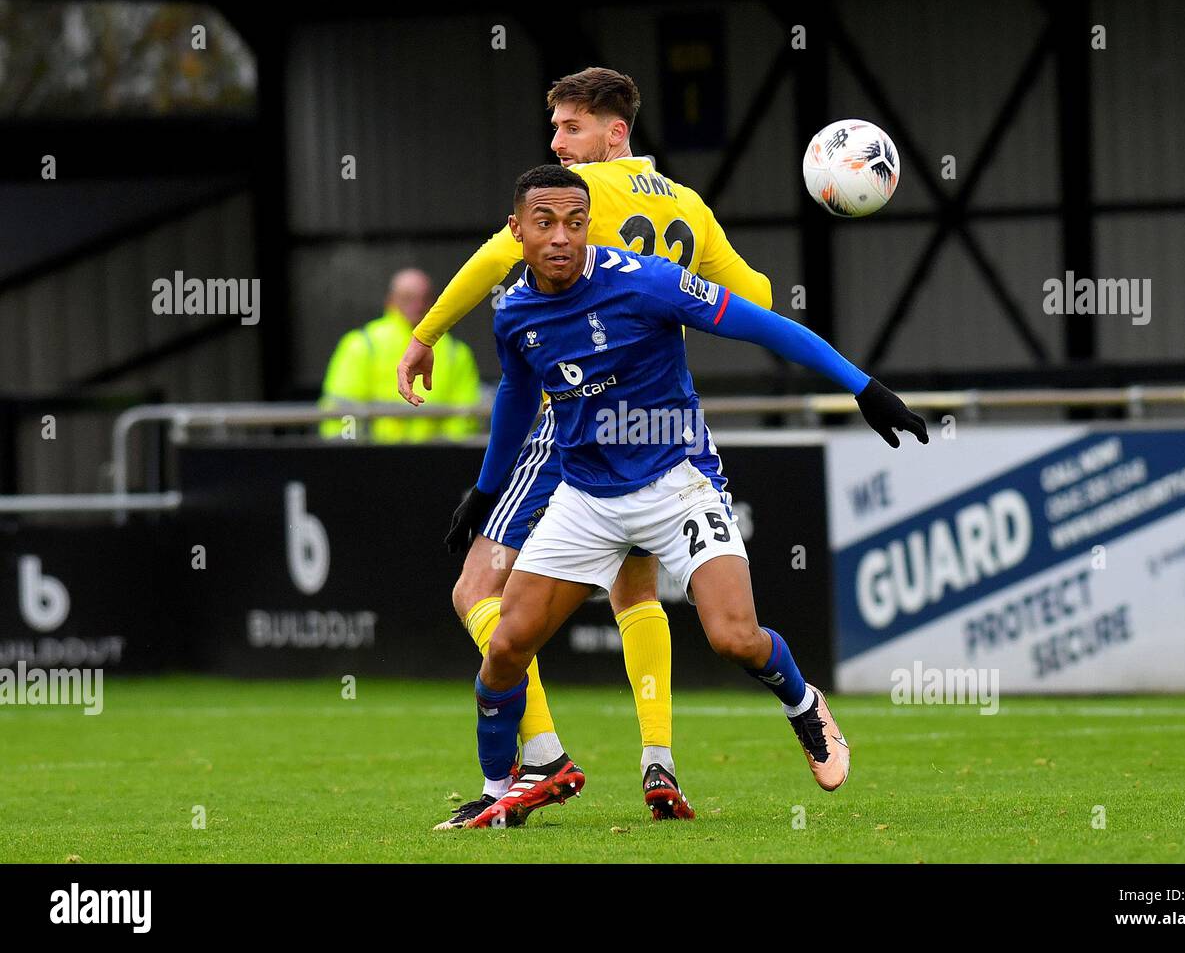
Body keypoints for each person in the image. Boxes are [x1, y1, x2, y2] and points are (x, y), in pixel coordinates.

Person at [450, 165, 928, 829]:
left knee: (734, 639)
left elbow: (763, 325)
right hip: (585, 497)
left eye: (575, 223)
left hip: (678, 485)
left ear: (589, 226)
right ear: (516, 230)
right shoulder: (515, 312)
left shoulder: (647, 283)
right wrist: (487, 489)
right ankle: (503, 792)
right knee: (506, 648)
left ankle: (802, 703)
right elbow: (517, 395)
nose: (561, 237)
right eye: (545, 223)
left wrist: (862, 386)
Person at [407, 68, 774, 827]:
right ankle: (658, 763)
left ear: (614, 136)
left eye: (570, 128)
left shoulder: (579, 195)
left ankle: (537, 758)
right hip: (654, 421)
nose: (557, 143)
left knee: (476, 588)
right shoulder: (685, 203)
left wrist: (427, 333)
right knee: (634, 594)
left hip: (568, 418)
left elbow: (491, 261)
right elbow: (759, 299)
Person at [321, 268, 480, 443]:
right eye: (408, 298)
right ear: (391, 300)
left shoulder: (456, 352)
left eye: (424, 298)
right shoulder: (361, 345)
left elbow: (465, 416)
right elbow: (342, 409)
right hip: (373, 457)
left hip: (435, 459)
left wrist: (446, 453)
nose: (418, 305)